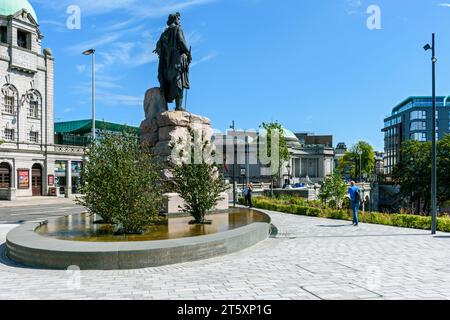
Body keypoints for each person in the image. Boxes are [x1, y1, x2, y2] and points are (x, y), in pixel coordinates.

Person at [154, 12, 192, 111]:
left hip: (166, 65)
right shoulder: (177, 29)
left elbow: (157, 47)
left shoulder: (164, 34)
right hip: (176, 62)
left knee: (168, 83)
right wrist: (187, 53)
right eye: (178, 18)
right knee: (179, 81)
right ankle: (178, 107)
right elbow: (181, 41)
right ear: (175, 19)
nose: (179, 20)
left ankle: (164, 107)